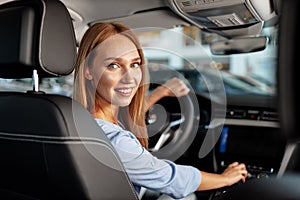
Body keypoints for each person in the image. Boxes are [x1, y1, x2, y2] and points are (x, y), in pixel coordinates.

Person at [73, 22, 248, 199]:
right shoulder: (117, 142)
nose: (130, 78)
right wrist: (225, 179)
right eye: (114, 66)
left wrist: (160, 93)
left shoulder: (77, 121)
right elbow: (172, 179)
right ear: (88, 70)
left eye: (135, 64)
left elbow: (127, 121)